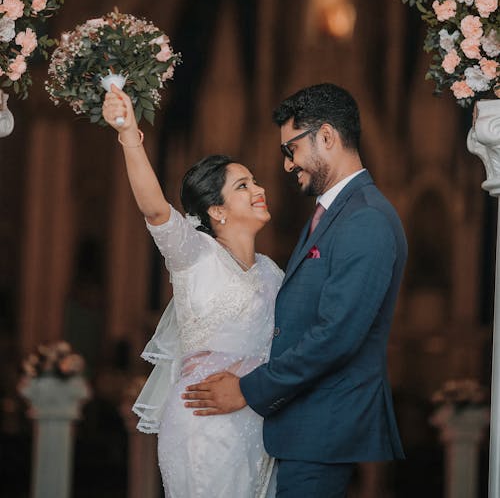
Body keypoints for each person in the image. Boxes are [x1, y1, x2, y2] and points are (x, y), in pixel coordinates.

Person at [183, 83, 407, 498]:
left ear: (326, 136)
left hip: (322, 427)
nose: (287, 165)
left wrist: (248, 389)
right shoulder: (334, 211)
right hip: (301, 425)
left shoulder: (366, 219)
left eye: (291, 149)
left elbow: (336, 336)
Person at [102, 85, 284, 498]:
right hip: (204, 420)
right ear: (216, 211)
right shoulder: (195, 255)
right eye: (243, 186)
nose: (259, 190)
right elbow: (154, 209)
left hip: (257, 419)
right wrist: (129, 133)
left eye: (255, 181)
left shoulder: (274, 274)